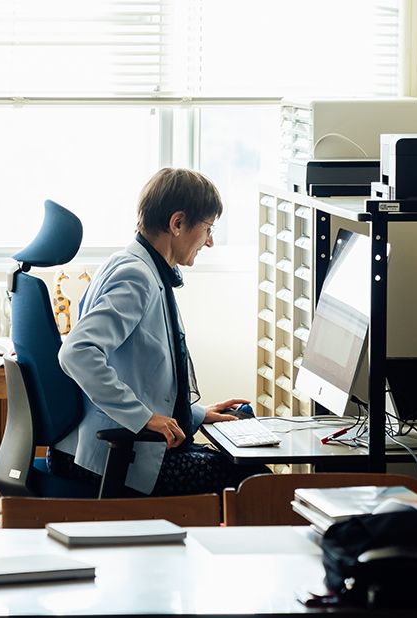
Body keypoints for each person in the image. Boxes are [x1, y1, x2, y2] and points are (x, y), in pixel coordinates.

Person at [50, 167, 267, 496]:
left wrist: (195, 414)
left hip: (105, 447)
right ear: (177, 223)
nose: (209, 242)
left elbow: (136, 373)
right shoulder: (137, 277)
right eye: (207, 229)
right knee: (256, 485)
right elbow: (77, 352)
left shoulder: (134, 264)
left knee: (244, 470)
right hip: (106, 458)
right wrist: (143, 418)